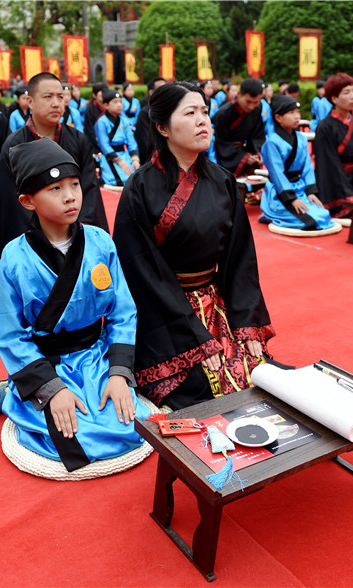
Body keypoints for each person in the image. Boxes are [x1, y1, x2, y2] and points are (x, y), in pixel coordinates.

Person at [0, 138, 146, 472]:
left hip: (95, 355)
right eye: (55, 189)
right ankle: (11, 392)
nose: (71, 195)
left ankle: (24, 391)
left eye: (74, 184)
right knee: (77, 439)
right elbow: (10, 334)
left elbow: (122, 311)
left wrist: (118, 372)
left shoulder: (100, 241)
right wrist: (51, 389)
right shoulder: (14, 257)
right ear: (28, 201)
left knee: (129, 427)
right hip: (47, 362)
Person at [113, 81, 275, 410]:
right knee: (198, 384)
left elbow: (240, 259)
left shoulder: (223, 181)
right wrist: (195, 336)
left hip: (214, 301)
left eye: (205, 111)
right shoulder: (139, 187)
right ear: (162, 127)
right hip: (162, 310)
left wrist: (247, 322)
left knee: (254, 371)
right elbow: (140, 269)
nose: (203, 120)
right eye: (190, 113)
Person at [0, 72, 109, 256]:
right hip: (34, 237)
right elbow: (12, 203)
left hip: (76, 231)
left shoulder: (78, 140)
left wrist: (80, 230)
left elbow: (89, 188)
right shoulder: (14, 145)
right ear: (29, 101)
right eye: (48, 97)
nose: (56, 103)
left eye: (60, 96)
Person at [260, 94, 335, 231]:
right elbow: (277, 174)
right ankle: (272, 211)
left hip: (300, 189)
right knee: (310, 221)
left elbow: (307, 167)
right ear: (278, 118)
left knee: (324, 214)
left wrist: (311, 192)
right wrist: (291, 199)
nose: (297, 116)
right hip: (280, 193)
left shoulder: (301, 138)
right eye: (291, 113)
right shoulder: (272, 143)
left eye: (298, 112)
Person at [315, 74, 353, 218]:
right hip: (334, 185)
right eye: (347, 93)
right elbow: (329, 165)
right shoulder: (325, 127)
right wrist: (349, 196)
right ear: (334, 98)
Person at [212, 78, 266, 177]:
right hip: (228, 154)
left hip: (247, 152)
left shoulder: (258, 108)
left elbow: (257, 135)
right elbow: (222, 141)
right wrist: (244, 158)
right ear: (239, 94)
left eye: (256, 102)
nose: (251, 106)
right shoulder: (224, 113)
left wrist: (256, 154)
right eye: (248, 101)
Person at [95, 89, 140, 187]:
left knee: (134, 177)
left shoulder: (124, 120)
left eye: (120, 101)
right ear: (106, 105)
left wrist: (135, 159)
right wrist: (120, 162)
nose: (119, 105)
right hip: (110, 157)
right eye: (115, 102)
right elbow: (104, 145)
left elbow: (131, 141)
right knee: (117, 181)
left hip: (124, 154)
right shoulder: (101, 122)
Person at [134, 76, 167, 163]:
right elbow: (145, 142)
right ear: (151, 92)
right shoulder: (145, 113)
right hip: (154, 158)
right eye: (161, 88)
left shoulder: (170, 109)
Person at [83, 82, 107, 151]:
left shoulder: (110, 107)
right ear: (94, 95)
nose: (104, 94)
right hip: (96, 145)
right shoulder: (90, 110)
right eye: (101, 92)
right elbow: (90, 132)